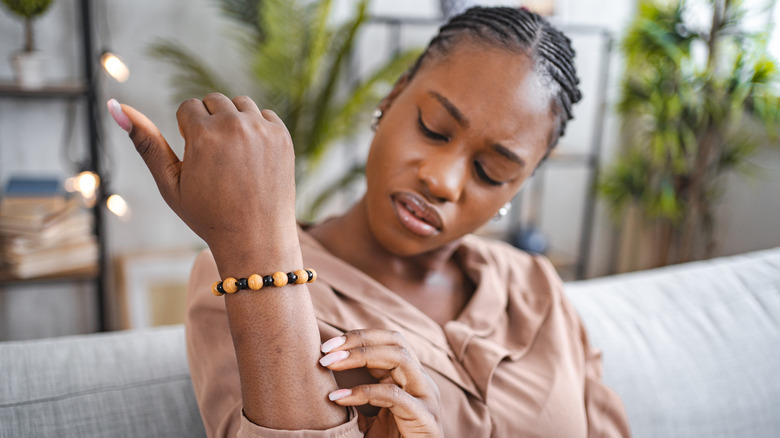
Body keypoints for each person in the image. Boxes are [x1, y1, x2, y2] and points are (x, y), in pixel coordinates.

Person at [108, 6, 630, 437]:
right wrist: (254, 244)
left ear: (520, 184)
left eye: (491, 171)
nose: (442, 181)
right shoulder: (243, 278)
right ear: (391, 97)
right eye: (433, 128)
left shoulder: (537, 288)